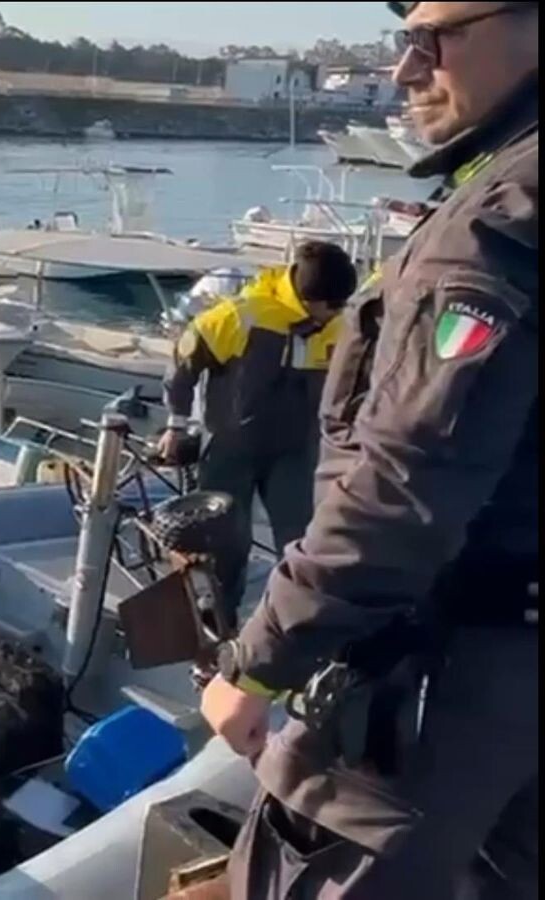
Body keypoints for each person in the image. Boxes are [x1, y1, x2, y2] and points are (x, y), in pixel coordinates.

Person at [201, 2, 539, 897]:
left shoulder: (495, 226)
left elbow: (408, 477)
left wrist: (261, 662)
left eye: (434, 39)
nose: (404, 69)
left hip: (437, 679)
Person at [157, 242, 358, 621]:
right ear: (307, 296)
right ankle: (219, 615)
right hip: (230, 449)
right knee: (228, 542)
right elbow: (183, 365)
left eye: (342, 305)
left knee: (300, 537)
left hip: (294, 452)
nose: (338, 312)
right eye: (332, 305)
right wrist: (176, 425)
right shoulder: (241, 316)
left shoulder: (338, 326)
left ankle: (291, 620)